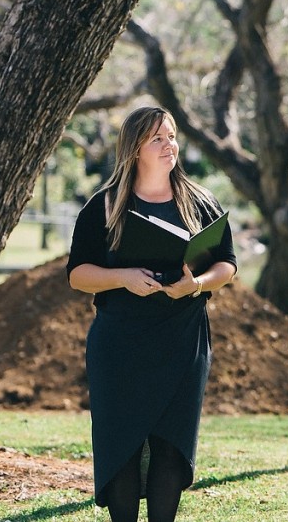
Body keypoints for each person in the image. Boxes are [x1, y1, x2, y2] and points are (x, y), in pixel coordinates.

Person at [67, 106, 237, 522]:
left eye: (172, 136)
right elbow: (78, 275)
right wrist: (123, 276)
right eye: (157, 138)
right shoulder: (105, 205)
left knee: (170, 448)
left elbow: (227, 265)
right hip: (119, 344)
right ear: (135, 148)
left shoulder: (200, 201)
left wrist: (196, 284)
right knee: (122, 448)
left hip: (183, 340)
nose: (169, 145)